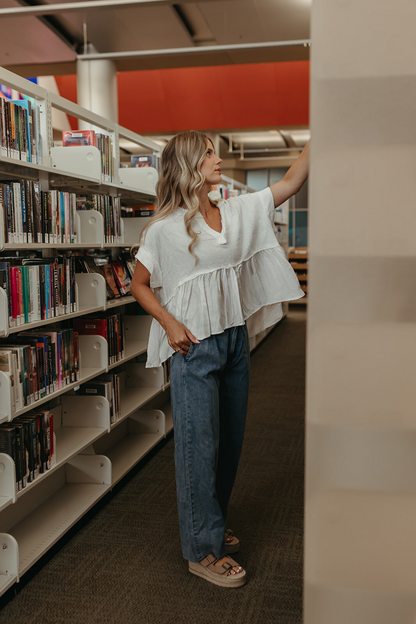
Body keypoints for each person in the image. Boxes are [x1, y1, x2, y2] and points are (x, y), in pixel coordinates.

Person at [130, 130, 309, 588]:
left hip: (233, 342)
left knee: (228, 443)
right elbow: (139, 285)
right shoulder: (164, 229)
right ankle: (202, 550)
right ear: (189, 164)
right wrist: (169, 324)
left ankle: (208, 523)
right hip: (193, 348)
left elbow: (289, 183)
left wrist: (318, 140)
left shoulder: (234, 211)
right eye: (208, 152)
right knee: (198, 449)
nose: (218, 157)